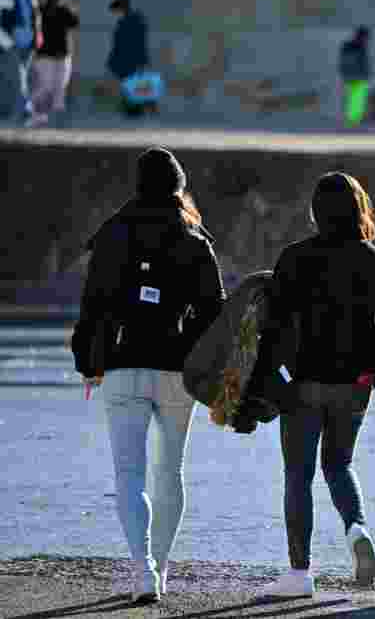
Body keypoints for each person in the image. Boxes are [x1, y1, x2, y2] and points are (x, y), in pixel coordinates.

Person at [70, 148, 226, 604]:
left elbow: (92, 305)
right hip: (177, 369)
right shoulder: (195, 239)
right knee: (170, 470)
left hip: (122, 365)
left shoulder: (113, 234)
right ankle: (162, 565)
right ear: (179, 188)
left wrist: (88, 363)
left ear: (138, 185)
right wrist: (206, 364)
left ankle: (144, 571)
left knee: (129, 474)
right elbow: (215, 315)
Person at [255, 172, 375, 598]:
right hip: (356, 383)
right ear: (358, 209)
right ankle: (357, 531)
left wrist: (268, 381)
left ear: (316, 212)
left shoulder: (295, 257)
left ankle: (299, 574)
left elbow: (273, 330)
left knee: (298, 474)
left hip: (305, 382)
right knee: (338, 464)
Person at [27, 0, 79, 127]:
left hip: (54, 54)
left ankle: (53, 118)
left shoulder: (59, 10)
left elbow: (74, 23)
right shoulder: (44, 11)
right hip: (49, 54)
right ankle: (36, 112)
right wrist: (70, 8)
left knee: (55, 86)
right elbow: (75, 22)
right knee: (51, 87)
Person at [0, 0, 40, 123]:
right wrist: (7, 42)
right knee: (19, 77)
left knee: (22, 77)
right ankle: (27, 110)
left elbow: (36, 18)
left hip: (28, 44)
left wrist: (37, 37)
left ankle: (16, 111)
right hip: (12, 44)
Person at [338, 26, 370, 127]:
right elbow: (358, 62)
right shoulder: (357, 47)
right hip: (356, 75)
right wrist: (364, 73)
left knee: (354, 97)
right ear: (361, 36)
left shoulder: (350, 46)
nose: (367, 40)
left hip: (352, 76)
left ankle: (354, 118)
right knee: (356, 97)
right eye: (366, 37)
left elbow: (343, 62)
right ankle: (354, 119)